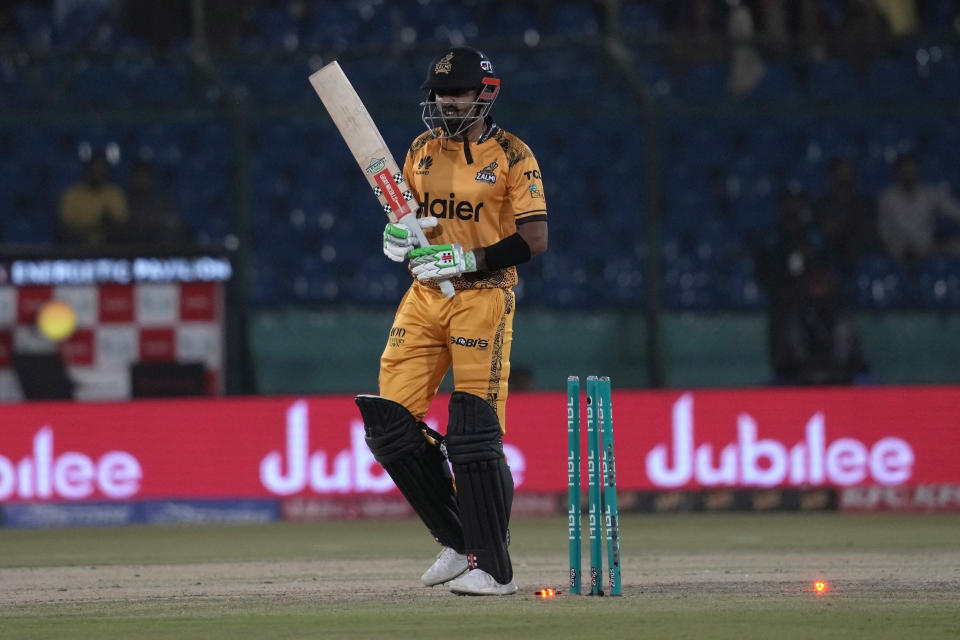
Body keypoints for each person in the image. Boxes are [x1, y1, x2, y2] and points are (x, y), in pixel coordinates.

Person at [354, 46, 548, 596]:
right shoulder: (420, 149)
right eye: (439, 93)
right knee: (389, 423)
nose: (444, 101)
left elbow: (535, 240)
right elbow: (408, 218)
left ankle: (494, 568)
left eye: (456, 92)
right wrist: (398, 237)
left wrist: (468, 258)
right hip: (423, 296)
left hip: (482, 295)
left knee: (472, 433)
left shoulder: (513, 154)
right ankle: (459, 539)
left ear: (484, 94)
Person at [877, 153, 960, 264]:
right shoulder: (887, 198)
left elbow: (953, 210)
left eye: (911, 170)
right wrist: (899, 248)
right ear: (897, 172)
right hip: (898, 251)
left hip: (928, 248)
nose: (908, 174)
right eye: (904, 170)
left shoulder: (928, 193)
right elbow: (884, 233)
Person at [813, 155, 878, 277]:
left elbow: (869, 234)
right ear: (832, 174)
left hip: (859, 258)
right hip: (831, 258)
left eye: (847, 170)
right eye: (841, 170)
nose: (844, 174)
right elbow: (821, 232)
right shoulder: (823, 203)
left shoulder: (864, 203)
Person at [58, 149, 128, 246]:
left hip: (109, 250)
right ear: (87, 170)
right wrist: (93, 228)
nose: (98, 173)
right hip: (78, 250)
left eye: (101, 169)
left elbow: (122, 227)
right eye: (95, 169)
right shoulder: (73, 195)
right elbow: (65, 228)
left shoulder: (115, 194)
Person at [121, 159, 190, 247]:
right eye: (138, 176)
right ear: (132, 178)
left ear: (150, 179)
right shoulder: (123, 202)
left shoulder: (160, 203)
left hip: (156, 250)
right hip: (129, 250)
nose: (141, 180)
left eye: (144, 176)